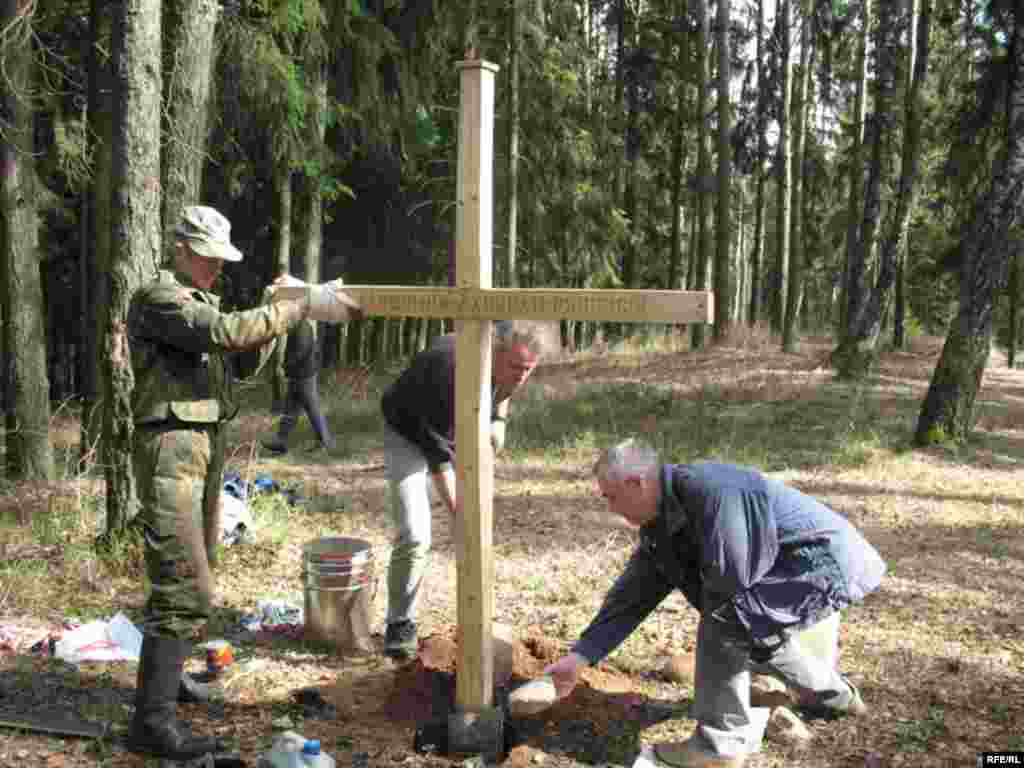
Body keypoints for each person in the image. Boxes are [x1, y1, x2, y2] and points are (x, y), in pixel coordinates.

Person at [126, 205, 361, 762]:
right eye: (207, 258)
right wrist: (298, 305)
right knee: (187, 588)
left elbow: (239, 366)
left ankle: (165, 684)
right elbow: (227, 333)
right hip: (170, 449)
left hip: (201, 449)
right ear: (181, 250)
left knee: (193, 576)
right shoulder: (160, 299)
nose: (214, 269)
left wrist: (277, 321)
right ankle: (151, 723)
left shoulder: (199, 302)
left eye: (219, 260)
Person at [544, 439, 887, 768]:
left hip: (824, 561)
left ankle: (718, 746)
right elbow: (632, 596)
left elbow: (731, 585)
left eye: (611, 497)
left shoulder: (714, 494)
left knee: (728, 620)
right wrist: (580, 657)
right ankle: (839, 699)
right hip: (796, 565)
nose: (611, 508)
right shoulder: (660, 520)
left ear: (637, 483)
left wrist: (729, 654)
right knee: (746, 627)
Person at [380, 320, 553, 660]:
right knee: (415, 532)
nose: (520, 376)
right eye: (515, 367)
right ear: (493, 353)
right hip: (409, 431)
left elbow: (503, 390)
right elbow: (438, 458)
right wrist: (462, 517)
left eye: (528, 369)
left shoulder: (505, 368)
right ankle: (399, 624)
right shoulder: (451, 373)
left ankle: (476, 624)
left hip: (459, 423)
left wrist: (498, 422)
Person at [261, 314, 335, 454]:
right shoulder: (298, 325)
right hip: (299, 374)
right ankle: (281, 441)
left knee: (312, 408)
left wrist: (285, 366)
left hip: (304, 375)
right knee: (291, 408)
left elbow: (300, 353)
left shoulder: (302, 327)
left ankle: (326, 442)